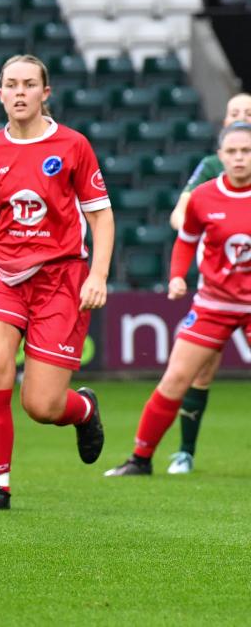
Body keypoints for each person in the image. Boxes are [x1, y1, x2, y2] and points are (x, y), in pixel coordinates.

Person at [0, 54, 114, 511]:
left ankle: (83, 410)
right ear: (0, 94)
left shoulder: (73, 145)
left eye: (30, 84)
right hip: (3, 273)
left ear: (45, 93)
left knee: (42, 406)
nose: (21, 92)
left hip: (61, 277)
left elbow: (101, 216)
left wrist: (99, 274)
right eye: (12, 84)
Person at [105, 122, 251, 477]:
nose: (239, 158)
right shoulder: (203, 196)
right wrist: (175, 277)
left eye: (246, 151)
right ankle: (140, 459)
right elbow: (186, 239)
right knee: (175, 379)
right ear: (219, 156)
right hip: (212, 304)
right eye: (231, 151)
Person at [163, 93, 251, 474]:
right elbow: (180, 216)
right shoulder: (212, 166)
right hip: (217, 291)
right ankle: (184, 451)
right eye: (234, 112)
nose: (240, 116)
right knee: (200, 371)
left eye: (248, 113)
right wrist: (205, 225)